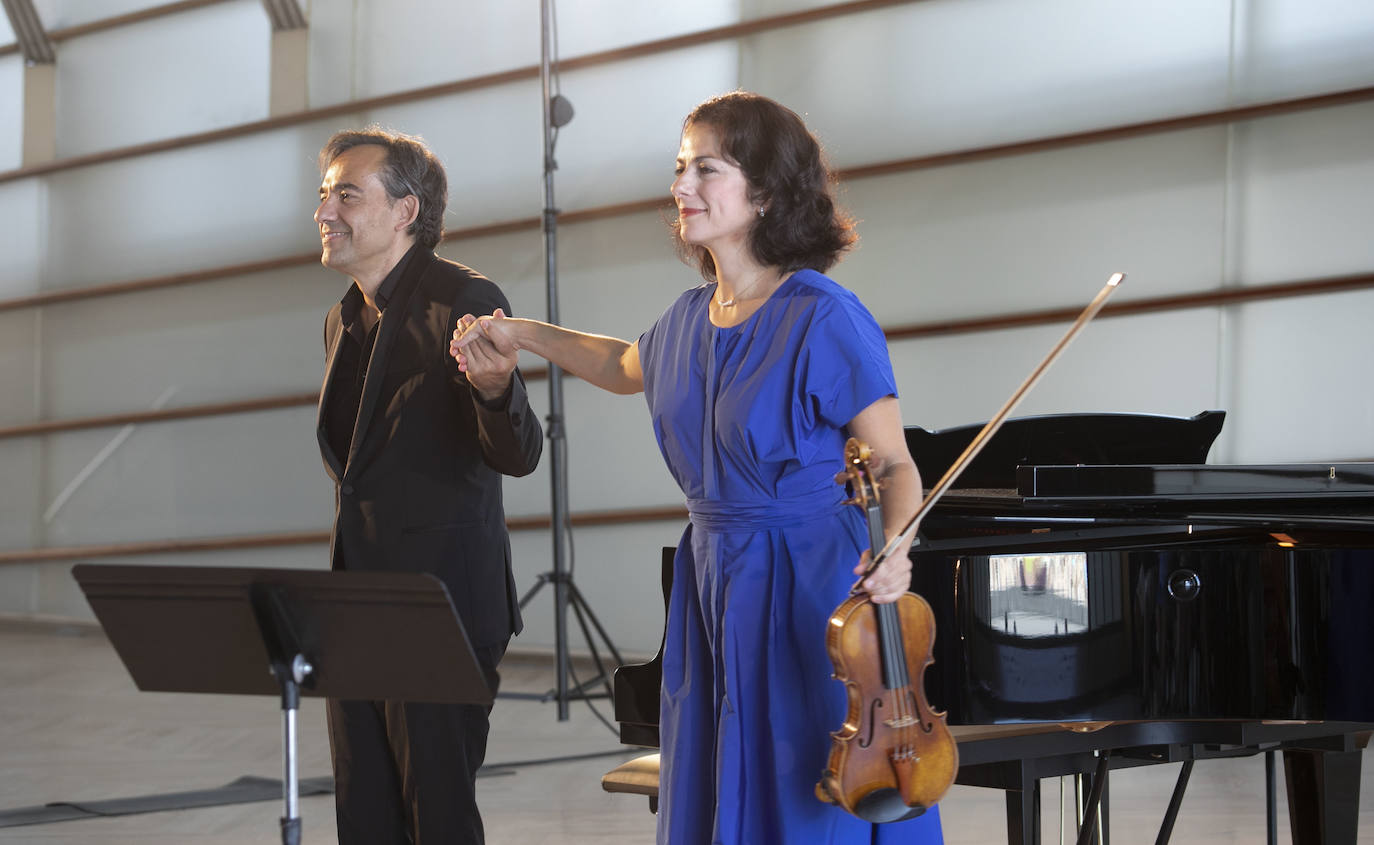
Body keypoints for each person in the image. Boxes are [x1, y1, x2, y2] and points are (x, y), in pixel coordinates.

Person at [452, 93, 943, 844]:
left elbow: (897, 465)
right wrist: (517, 331)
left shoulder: (824, 315)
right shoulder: (687, 318)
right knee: (716, 777)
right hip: (712, 578)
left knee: (804, 775)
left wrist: (897, 548)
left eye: (704, 170)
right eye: (680, 168)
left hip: (811, 586)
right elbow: (622, 363)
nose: (680, 187)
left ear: (767, 192)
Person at [313, 125, 543, 845]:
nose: (324, 211)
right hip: (354, 607)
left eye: (346, 193)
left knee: (437, 819)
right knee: (365, 816)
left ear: (405, 210)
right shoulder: (341, 319)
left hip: (440, 607)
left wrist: (496, 388)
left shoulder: (465, 298)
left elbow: (519, 452)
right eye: (323, 194)